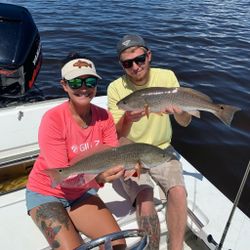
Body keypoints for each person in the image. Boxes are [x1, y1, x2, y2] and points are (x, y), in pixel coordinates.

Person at [26, 52, 126, 250]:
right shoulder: (53, 120)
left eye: (90, 82)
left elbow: (113, 156)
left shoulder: (104, 117)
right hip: (47, 192)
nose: (84, 88)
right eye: (75, 83)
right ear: (64, 85)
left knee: (117, 245)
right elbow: (61, 175)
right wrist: (98, 179)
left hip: (81, 193)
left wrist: (125, 168)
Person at [107, 35, 187, 250]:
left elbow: (185, 121)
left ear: (148, 56)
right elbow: (116, 133)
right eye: (127, 63)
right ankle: (152, 247)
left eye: (139, 59)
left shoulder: (167, 76)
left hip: (162, 149)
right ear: (121, 65)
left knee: (178, 191)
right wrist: (127, 118)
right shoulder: (115, 88)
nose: (135, 67)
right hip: (131, 153)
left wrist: (179, 112)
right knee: (145, 197)